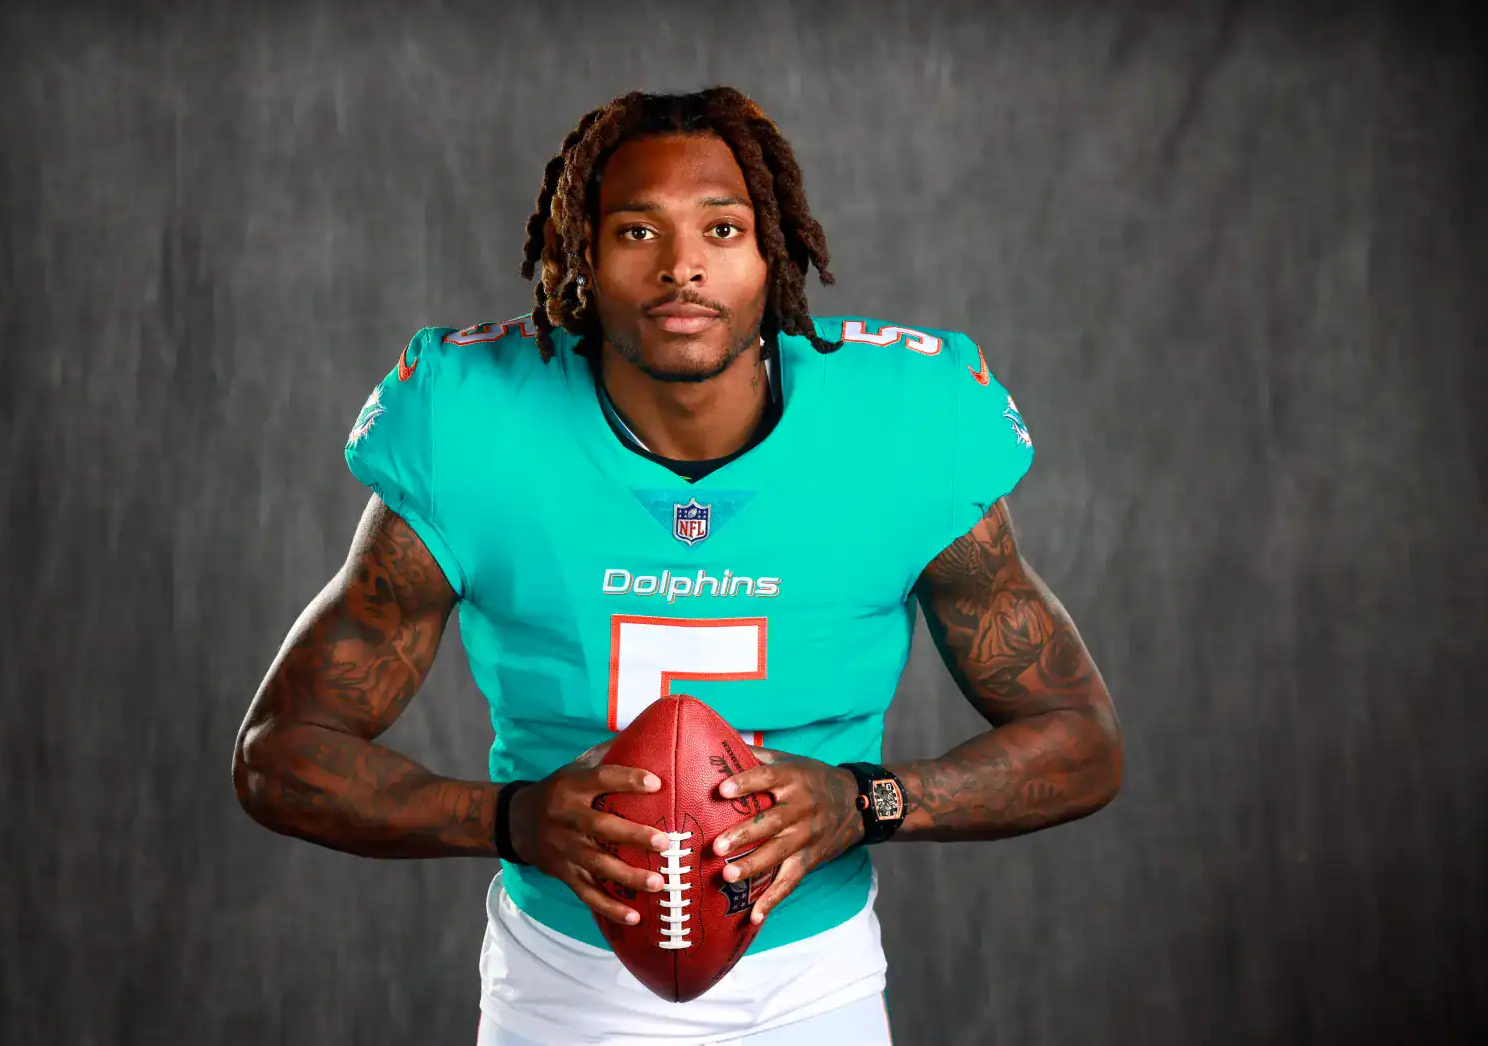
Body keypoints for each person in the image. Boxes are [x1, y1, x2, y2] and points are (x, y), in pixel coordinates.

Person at [233, 86, 1123, 1046]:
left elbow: (1080, 741)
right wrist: (509, 819)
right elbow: (279, 754)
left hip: (813, 986)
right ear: (581, 257)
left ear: (771, 250)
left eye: (723, 229)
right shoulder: (474, 424)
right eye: (635, 232)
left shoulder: (904, 427)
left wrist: (863, 799)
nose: (683, 267)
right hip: (560, 984)